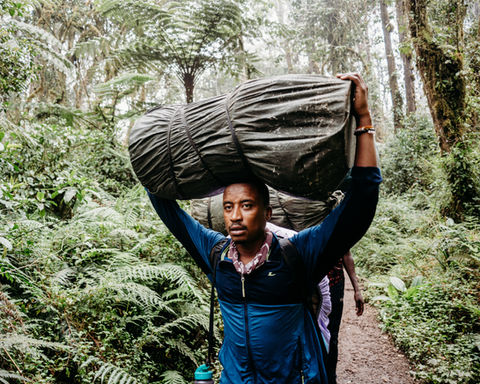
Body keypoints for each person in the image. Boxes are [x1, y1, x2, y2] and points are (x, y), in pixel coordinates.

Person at [147, 73, 381, 383]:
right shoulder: (216, 256)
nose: (235, 216)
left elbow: (361, 202)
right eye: (228, 206)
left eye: (247, 205)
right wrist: (155, 149)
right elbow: (166, 205)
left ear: (267, 211)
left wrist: (363, 119)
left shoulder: (297, 254)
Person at [326, 251, 364, 384]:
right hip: (308, 287)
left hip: (334, 285)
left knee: (332, 336)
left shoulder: (338, 230)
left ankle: (330, 378)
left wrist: (357, 289)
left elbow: (346, 254)